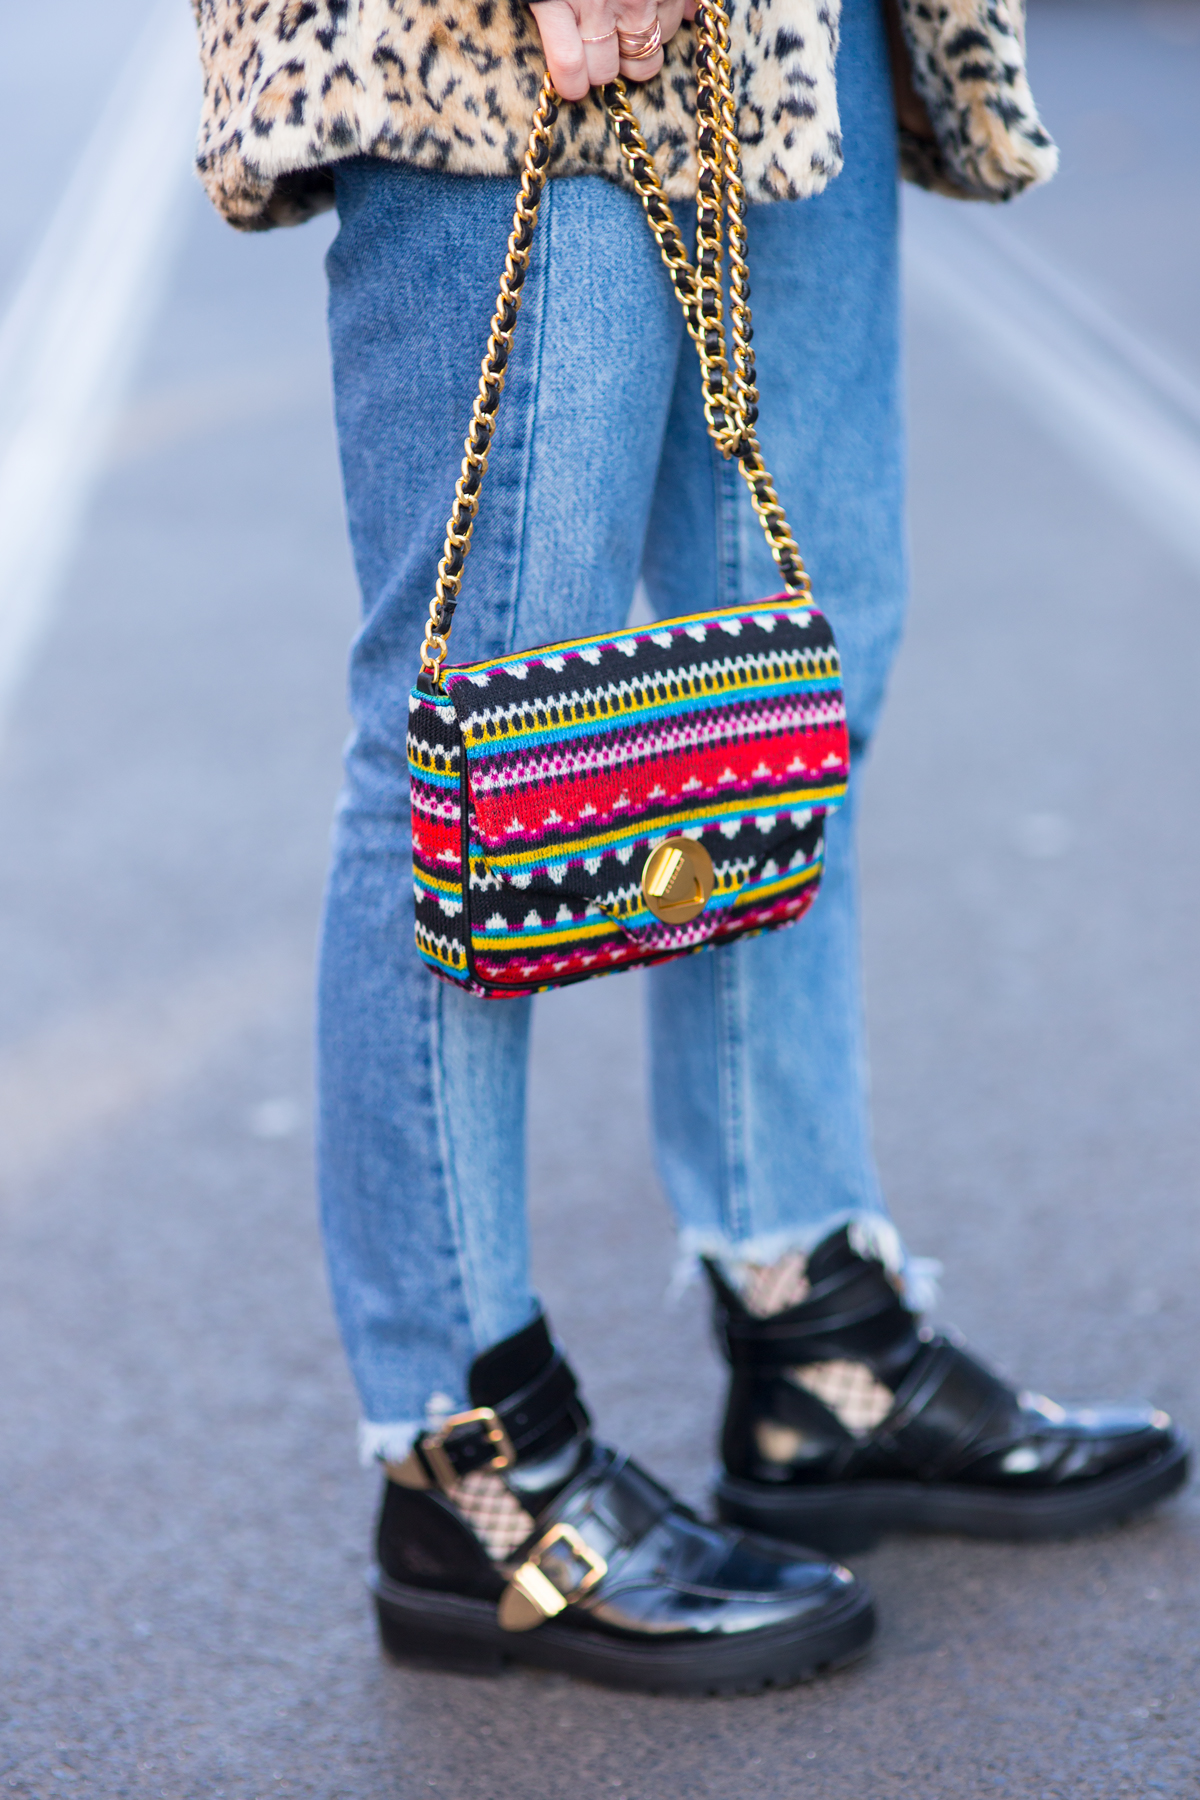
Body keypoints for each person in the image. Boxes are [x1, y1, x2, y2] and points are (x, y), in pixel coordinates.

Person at [192, 0, 1189, 1693]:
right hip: (508, 47)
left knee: (799, 670)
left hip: (796, 34)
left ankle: (817, 1338)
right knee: (482, 719)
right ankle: (464, 1457)